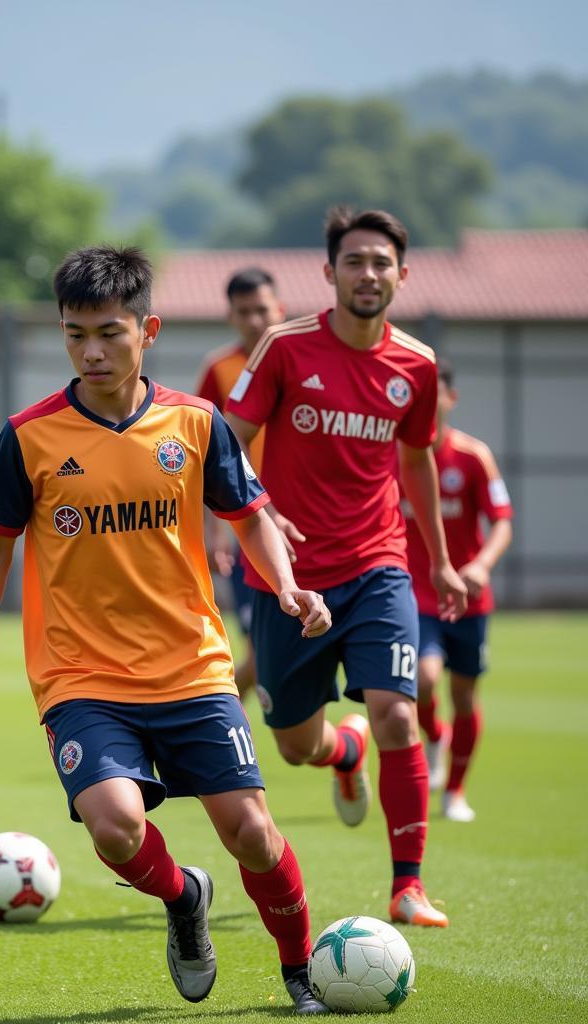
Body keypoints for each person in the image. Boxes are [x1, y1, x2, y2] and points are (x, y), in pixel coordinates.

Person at [0, 245, 334, 1014]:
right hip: (81, 676)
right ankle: (184, 897)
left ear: (148, 330)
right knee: (116, 826)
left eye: (109, 333)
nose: (91, 351)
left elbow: (250, 516)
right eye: (74, 334)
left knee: (253, 834)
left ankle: (302, 972)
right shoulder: (30, 437)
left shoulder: (195, 424)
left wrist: (287, 586)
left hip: (191, 667)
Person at [224, 207, 468, 929]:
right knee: (297, 745)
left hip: (378, 567)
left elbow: (416, 460)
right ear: (329, 273)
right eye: (355, 261)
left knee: (400, 714)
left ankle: (407, 886)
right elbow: (226, 443)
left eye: (381, 262)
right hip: (289, 578)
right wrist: (260, 511)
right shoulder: (284, 347)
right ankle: (343, 749)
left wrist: (444, 563)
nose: (369, 273)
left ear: (402, 274)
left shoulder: (416, 365)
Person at [403, 358, 512, 822]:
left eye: (436, 393)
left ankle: (455, 792)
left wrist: (482, 565)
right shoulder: (395, 456)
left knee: (465, 695)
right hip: (414, 594)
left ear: (450, 398)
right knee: (425, 681)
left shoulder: (473, 456)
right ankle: (434, 735)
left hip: (467, 599)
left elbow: (502, 519)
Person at [195, 268, 286, 700]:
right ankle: (228, 722)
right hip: (248, 523)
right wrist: (215, 531)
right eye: (244, 312)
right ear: (230, 315)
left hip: (306, 517)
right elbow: (207, 456)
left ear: (280, 309)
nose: (254, 320)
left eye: (262, 310)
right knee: (259, 646)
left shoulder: (301, 362)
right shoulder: (220, 369)